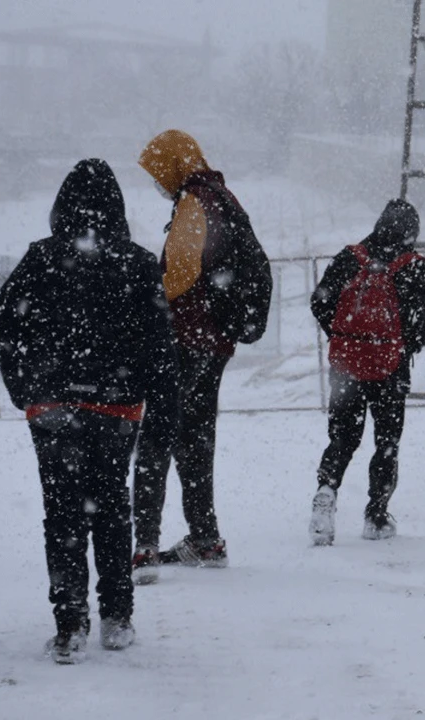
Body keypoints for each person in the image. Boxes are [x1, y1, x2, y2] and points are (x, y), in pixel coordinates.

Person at [0, 159, 178, 663]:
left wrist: (24, 388)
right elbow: (162, 346)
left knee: (62, 514)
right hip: (115, 411)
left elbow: (3, 324)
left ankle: (69, 622)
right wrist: (159, 405)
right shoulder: (138, 263)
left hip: (52, 408)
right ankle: (116, 616)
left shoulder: (41, 259)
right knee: (114, 509)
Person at [131, 130, 272, 582]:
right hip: (215, 340)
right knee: (195, 436)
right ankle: (206, 539)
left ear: (175, 165)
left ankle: (145, 547)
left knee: (156, 435)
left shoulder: (195, 200)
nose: (158, 183)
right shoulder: (223, 197)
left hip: (187, 337)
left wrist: (150, 300)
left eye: (158, 173)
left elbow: (185, 269)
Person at [307, 199, 425, 545]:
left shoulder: (350, 258)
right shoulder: (414, 266)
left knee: (342, 438)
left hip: (346, 367)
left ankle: (327, 490)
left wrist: (343, 337)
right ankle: (376, 514)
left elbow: (319, 300)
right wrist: (403, 345)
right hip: (389, 370)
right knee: (386, 442)